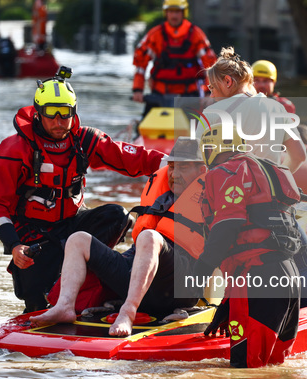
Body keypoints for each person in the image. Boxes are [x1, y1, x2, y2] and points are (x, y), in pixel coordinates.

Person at [0, 66, 165, 313]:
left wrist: (175, 162)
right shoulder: (14, 150)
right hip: (34, 235)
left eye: (65, 114)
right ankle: (50, 293)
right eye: (51, 114)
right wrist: (15, 246)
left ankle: (88, 282)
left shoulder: (84, 140)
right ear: (38, 113)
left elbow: (128, 157)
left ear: (74, 111)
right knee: (35, 296)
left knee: (117, 215)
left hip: (73, 224)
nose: (59, 122)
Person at [29, 138, 207, 336]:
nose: (174, 174)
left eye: (183, 167)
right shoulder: (161, 191)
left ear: (202, 171)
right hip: (139, 274)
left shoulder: (215, 198)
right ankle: (64, 307)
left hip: (179, 286)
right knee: (78, 239)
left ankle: (128, 313)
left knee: (149, 237)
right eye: (172, 167)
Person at [196, 47, 307, 308]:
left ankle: (209, 313)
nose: (210, 92)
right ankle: (303, 322)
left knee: (221, 263)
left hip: (227, 207)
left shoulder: (209, 115)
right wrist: (276, 182)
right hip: (270, 209)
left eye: (212, 86)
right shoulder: (273, 107)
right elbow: (298, 155)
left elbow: (205, 166)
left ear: (228, 82)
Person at [198, 124, 301, 368]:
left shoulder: (224, 172)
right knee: (275, 370)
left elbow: (227, 227)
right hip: (289, 277)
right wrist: (226, 304)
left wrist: (198, 273)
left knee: (245, 373)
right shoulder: (265, 170)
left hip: (256, 278)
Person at [131, 0, 217, 116]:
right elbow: (141, 62)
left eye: (177, 12)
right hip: (160, 93)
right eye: (171, 11)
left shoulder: (195, 34)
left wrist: (209, 92)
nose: (174, 15)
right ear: (166, 13)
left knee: (197, 127)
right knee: (144, 127)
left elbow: (210, 65)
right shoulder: (156, 34)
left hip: (189, 93)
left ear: (183, 13)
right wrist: (138, 90)